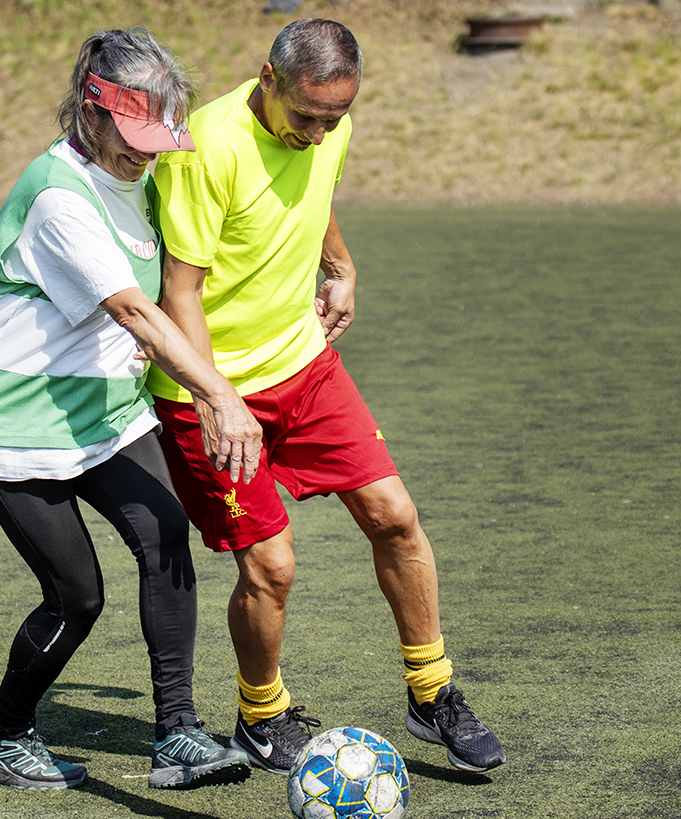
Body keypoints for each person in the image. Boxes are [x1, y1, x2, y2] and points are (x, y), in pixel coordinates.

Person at [146, 18, 506, 775]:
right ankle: (261, 714)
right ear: (267, 78)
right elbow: (181, 290)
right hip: (209, 388)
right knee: (272, 566)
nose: (317, 132)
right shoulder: (206, 149)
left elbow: (314, 193)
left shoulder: (327, 125)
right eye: (305, 116)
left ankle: (431, 691)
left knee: (396, 516)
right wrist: (219, 399)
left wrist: (339, 262)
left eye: (333, 118)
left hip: (303, 367)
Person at [0, 27, 262, 791]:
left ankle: (178, 735)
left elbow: (185, 261)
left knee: (166, 537)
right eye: (133, 135)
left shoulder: (142, 176)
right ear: (91, 111)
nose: (146, 153)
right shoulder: (58, 197)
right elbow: (133, 311)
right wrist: (220, 396)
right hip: (12, 416)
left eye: (158, 136)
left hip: (103, 409)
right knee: (77, 595)